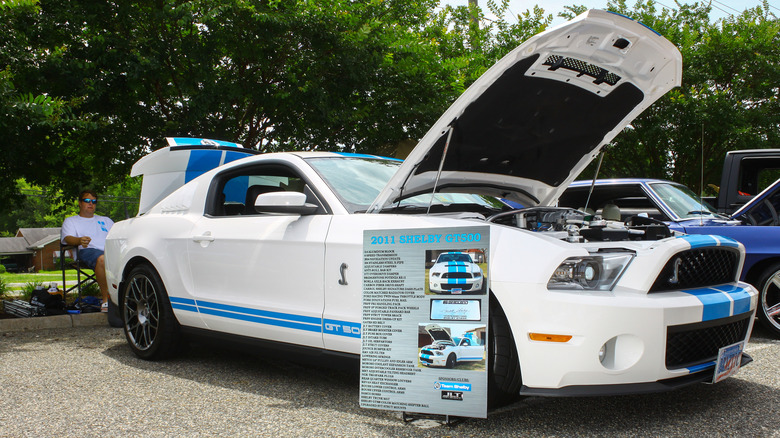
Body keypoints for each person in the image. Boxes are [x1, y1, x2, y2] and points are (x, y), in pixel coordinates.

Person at [61, 190, 114, 312]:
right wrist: (79, 240)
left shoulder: (106, 220)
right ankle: (106, 301)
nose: (91, 203)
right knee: (102, 259)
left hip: (111, 251)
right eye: (87, 201)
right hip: (88, 251)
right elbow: (67, 238)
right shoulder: (71, 221)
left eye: (94, 201)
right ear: (80, 203)